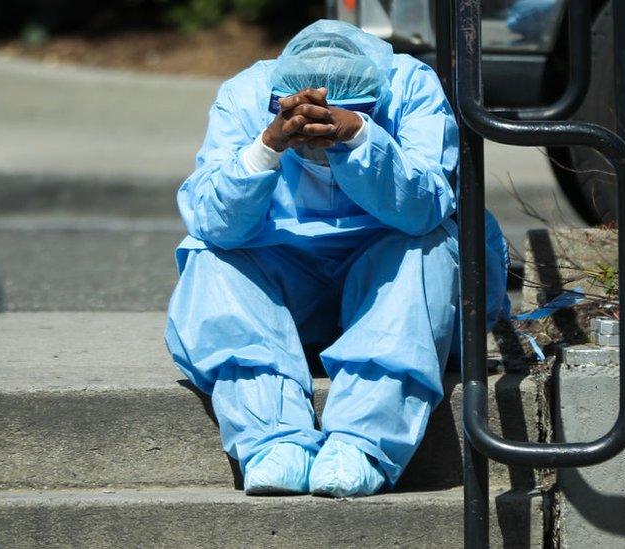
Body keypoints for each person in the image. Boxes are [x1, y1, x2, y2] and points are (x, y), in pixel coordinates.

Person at [165, 20, 510, 498]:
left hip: (391, 289)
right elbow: (213, 220)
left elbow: (425, 206)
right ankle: (272, 439)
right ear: (276, 95)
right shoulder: (245, 93)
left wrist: (360, 136)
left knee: (426, 244)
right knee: (211, 257)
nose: (315, 131)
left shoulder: (409, 85)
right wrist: (267, 147)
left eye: (333, 114)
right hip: (289, 288)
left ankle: (362, 440)